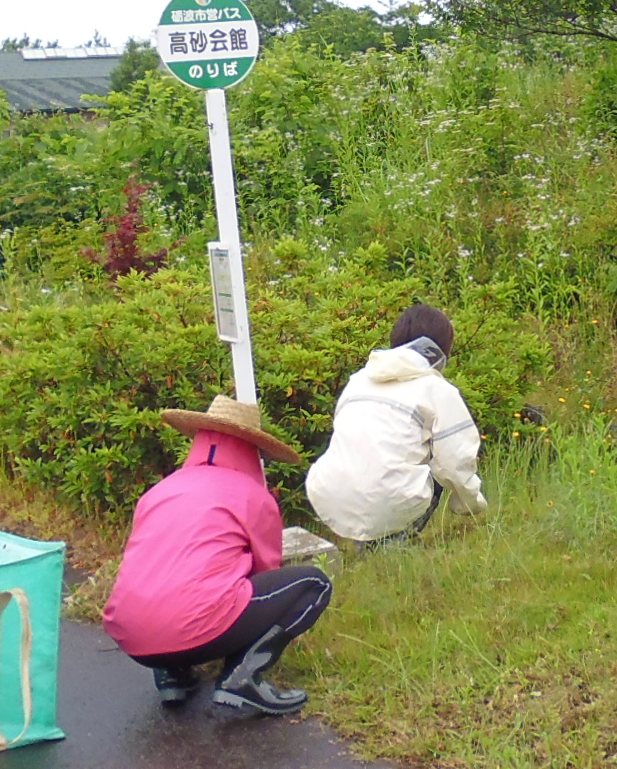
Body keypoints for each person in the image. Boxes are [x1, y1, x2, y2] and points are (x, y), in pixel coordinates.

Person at [104, 396, 331, 718]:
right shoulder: (253, 496)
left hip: (130, 634)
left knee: (177, 583)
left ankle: (173, 675)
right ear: (250, 450)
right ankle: (241, 679)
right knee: (313, 583)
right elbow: (264, 571)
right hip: (197, 628)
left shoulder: (160, 491)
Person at [304, 304, 487, 546]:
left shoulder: (357, 381)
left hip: (328, 493)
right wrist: (472, 506)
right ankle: (392, 545)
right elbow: (455, 463)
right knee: (437, 464)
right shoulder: (438, 390)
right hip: (388, 498)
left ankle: (366, 545)